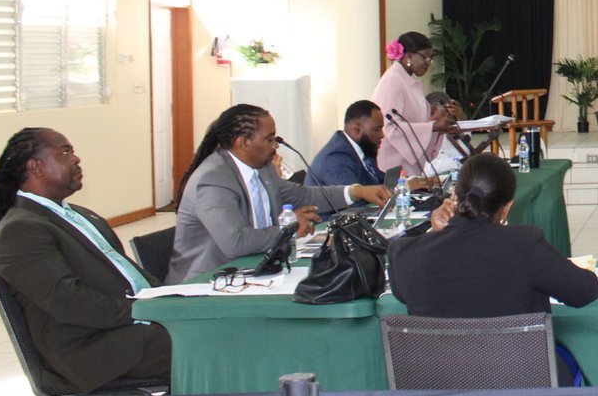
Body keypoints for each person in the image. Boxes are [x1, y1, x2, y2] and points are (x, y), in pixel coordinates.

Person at [389, 152, 598, 396]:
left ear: (454, 197)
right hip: (523, 395)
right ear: (507, 207)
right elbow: (585, 291)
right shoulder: (524, 244)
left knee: (457, 372)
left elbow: (400, 278)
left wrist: (433, 231)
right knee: (561, 369)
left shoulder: (409, 254)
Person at [0, 129, 172, 394]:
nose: (76, 159)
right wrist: (145, 310)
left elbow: (128, 273)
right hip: (90, 351)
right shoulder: (21, 230)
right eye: (64, 152)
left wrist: (172, 301)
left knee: (217, 323)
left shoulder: (81, 215)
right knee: (210, 341)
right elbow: (68, 303)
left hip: (127, 329)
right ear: (35, 167)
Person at [167, 105, 390, 283]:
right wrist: (289, 230)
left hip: (254, 270)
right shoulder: (213, 179)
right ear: (242, 142)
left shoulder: (261, 168)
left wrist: (356, 191)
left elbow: (302, 195)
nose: (275, 146)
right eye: (269, 139)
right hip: (208, 282)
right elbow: (236, 242)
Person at [373, 30, 455, 182]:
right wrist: (433, 127)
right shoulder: (392, 81)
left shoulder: (407, 81)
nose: (428, 63)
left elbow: (415, 120)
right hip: (392, 163)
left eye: (430, 58)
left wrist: (436, 120)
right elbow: (389, 126)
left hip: (407, 161)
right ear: (409, 56)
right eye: (425, 57)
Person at [307, 99, 384, 194]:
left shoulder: (365, 147)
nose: (382, 135)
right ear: (357, 129)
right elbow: (356, 199)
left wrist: (399, 182)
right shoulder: (335, 159)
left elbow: (377, 180)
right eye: (377, 130)